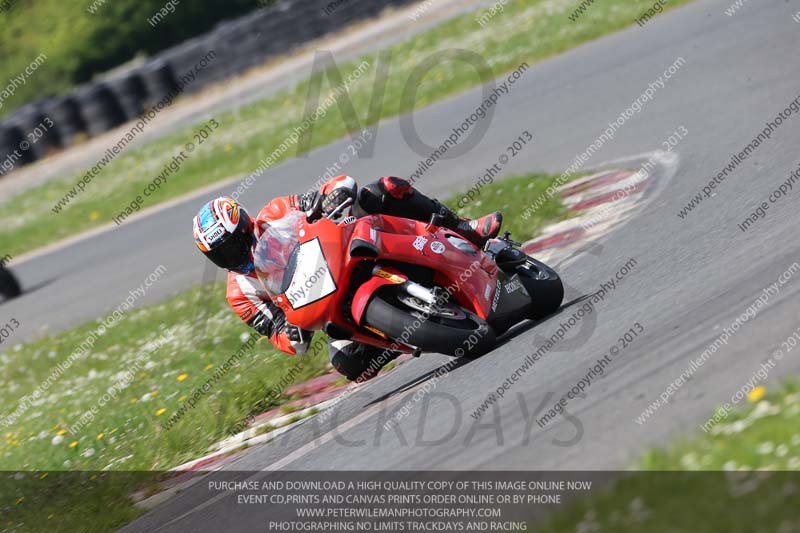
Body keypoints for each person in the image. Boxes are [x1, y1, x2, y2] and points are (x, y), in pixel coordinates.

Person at [192, 176, 502, 381]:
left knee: (381, 190)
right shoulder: (240, 294)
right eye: (221, 256)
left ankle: (464, 228)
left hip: (344, 252)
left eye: (234, 246)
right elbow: (280, 336)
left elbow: (330, 189)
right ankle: (407, 332)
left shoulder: (275, 212)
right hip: (328, 304)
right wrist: (290, 333)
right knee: (350, 364)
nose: (233, 258)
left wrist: (334, 196)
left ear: (246, 226)